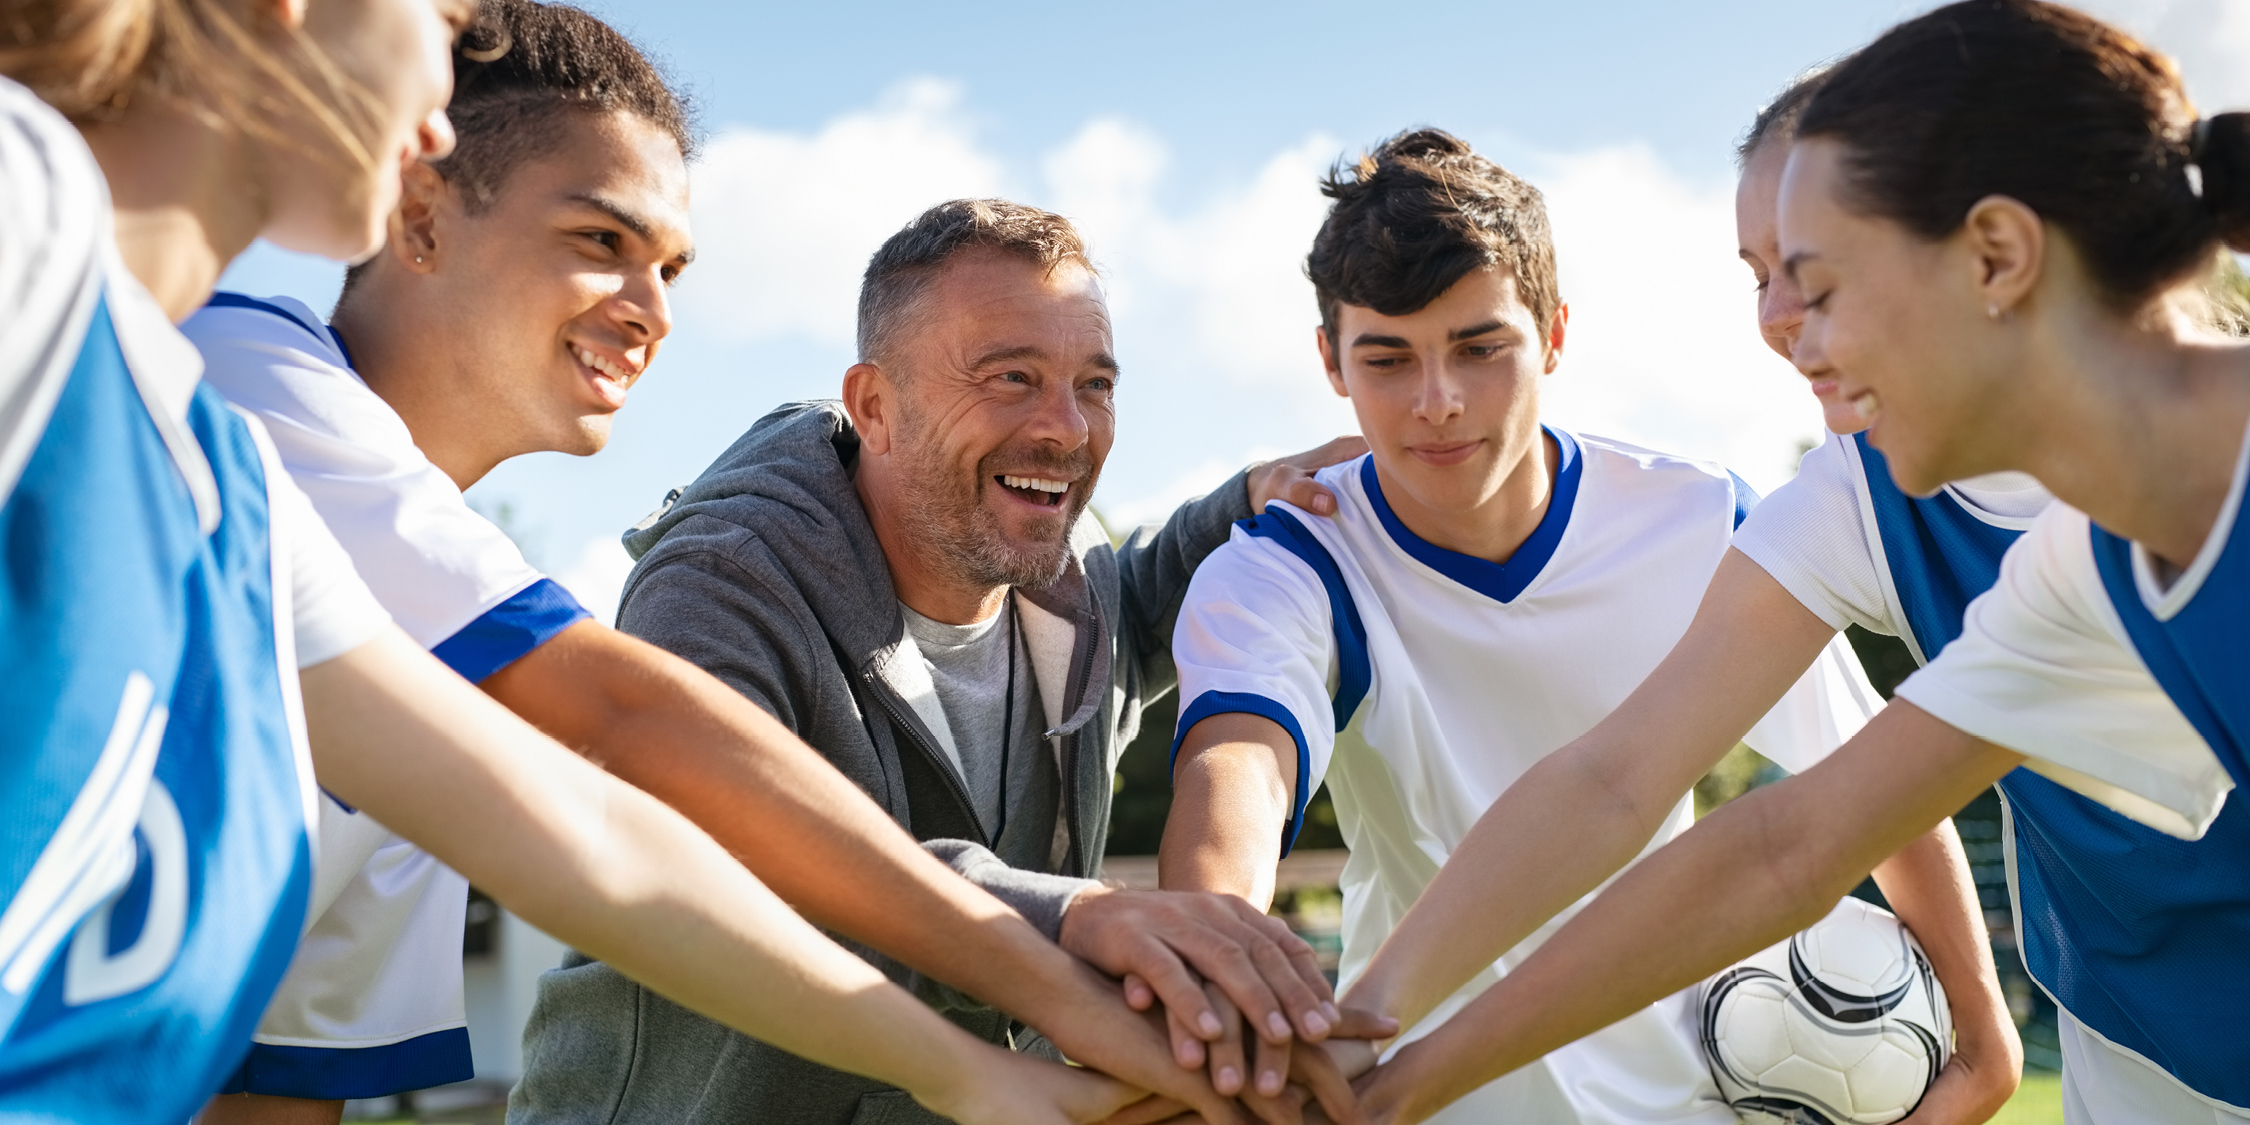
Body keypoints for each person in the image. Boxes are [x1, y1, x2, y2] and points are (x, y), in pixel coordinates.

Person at [179, 5, 1340, 1122]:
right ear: (420, 213)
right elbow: (639, 753)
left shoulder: (423, 685)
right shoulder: (232, 388)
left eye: (672, 270)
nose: (653, 312)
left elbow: (281, 1082)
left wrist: (1256, 500)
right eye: (602, 241)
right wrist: (1058, 949)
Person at [1338, 5, 2250, 1124]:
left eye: (1819, 284)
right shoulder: (2075, 581)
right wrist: (1381, 1078)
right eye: (1764, 279)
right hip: (2164, 1056)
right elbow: (1785, 842)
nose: (1788, 333)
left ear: (1998, 257)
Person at [1155, 128, 1974, 1125]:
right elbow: (1236, 772)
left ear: (1553, 334)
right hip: (1420, 1096)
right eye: (1387, 359)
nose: (1437, 403)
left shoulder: (1703, 520)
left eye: (1479, 348)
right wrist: (1219, 958)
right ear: (1330, 361)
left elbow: (1875, 777)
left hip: (1690, 1097)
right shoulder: (1285, 565)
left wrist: (1979, 1039)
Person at [508, 197, 1383, 1125]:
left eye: (1095, 383)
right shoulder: (720, 581)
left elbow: (1151, 587)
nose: (1068, 428)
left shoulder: (1072, 587)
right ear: (875, 407)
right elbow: (733, 857)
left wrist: (1252, 496)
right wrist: (1074, 913)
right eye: (1011, 378)